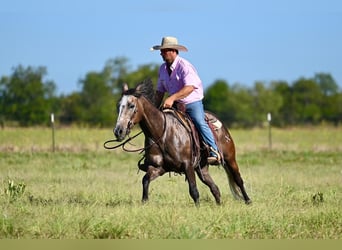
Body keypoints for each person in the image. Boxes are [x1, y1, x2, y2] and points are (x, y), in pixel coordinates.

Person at [151, 36, 220, 165]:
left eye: (164, 50)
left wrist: (171, 98)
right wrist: (154, 109)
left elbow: (189, 88)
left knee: (199, 121)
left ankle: (214, 151)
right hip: (175, 104)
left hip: (191, 102)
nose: (161, 53)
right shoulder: (162, 69)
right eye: (161, 51)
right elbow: (160, 91)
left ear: (173, 51)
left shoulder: (184, 66)